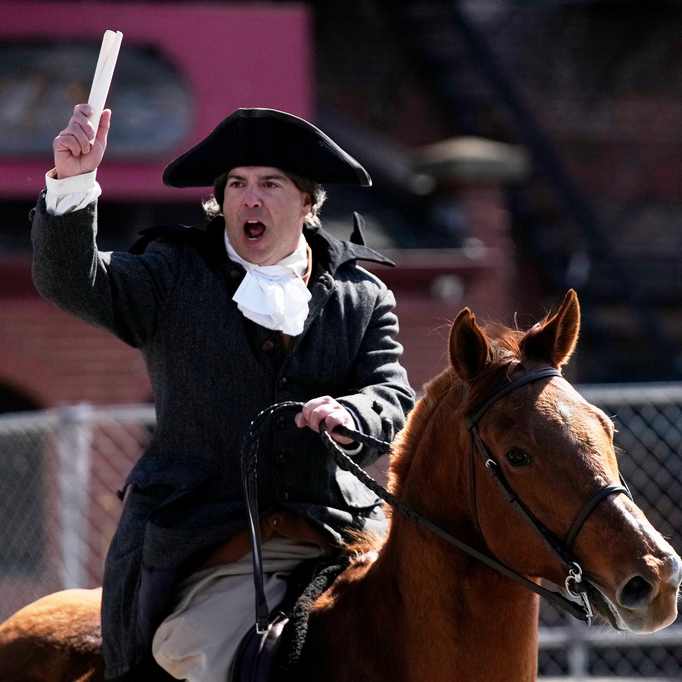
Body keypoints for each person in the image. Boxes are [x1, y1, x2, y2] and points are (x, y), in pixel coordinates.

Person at [31, 104, 415, 681]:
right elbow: (71, 280)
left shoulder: (362, 296)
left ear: (308, 203)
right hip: (202, 530)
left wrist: (352, 413)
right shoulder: (171, 272)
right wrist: (73, 182)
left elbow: (391, 392)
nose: (249, 199)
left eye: (269, 185)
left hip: (336, 526)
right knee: (200, 654)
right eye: (236, 185)